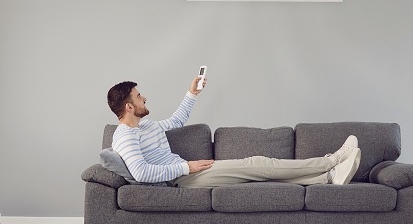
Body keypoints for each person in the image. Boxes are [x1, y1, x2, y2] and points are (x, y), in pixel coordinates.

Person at [107, 77, 361, 188]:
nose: (145, 98)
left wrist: (192, 93)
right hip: (182, 180)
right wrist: (187, 168)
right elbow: (140, 173)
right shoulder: (126, 136)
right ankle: (332, 160)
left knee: (257, 173)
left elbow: (177, 120)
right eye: (139, 97)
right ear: (129, 106)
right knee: (259, 163)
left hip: (187, 172)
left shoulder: (146, 126)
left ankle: (327, 179)